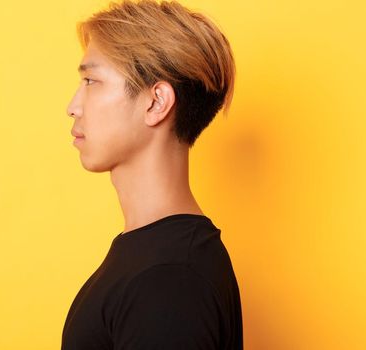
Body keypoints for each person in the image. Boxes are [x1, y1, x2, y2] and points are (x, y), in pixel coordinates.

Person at [61, 0, 242, 348]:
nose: (73, 106)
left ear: (156, 102)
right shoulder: (158, 261)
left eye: (91, 80)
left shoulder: (170, 279)